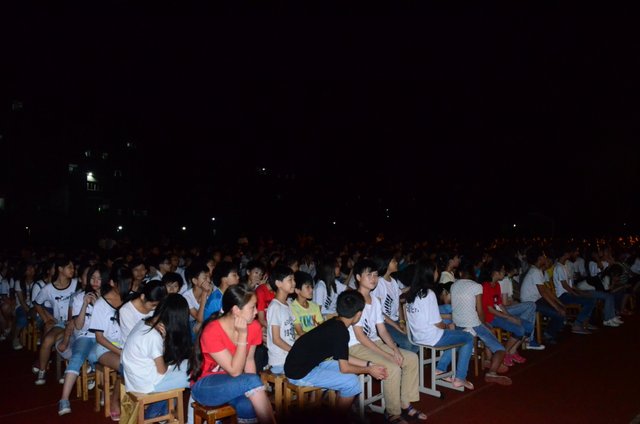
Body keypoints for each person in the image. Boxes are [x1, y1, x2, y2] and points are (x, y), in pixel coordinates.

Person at [284, 290, 388, 416]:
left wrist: (369, 364)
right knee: (352, 383)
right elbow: (345, 368)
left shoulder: (335, 322)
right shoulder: (341, 331)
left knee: (350, 375)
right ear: (359, 314)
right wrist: (369, 370)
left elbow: (343, 356)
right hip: (299, 373)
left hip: (303, 365)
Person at [348, 259, 424, 424]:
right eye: (369, 275)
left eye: (375, 275)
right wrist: (387, 355)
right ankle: (392, 413)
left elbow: (382, 330)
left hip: (374, 342)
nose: (373, 278)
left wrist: (395, 349)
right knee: (392, 366)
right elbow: (360, 336)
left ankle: (404, 402)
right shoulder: (354, 299)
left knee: (411, 358)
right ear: (358, 277)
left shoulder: (374, 301)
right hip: (356, 346)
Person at [189, 285, 275, 424]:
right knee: (252, 380)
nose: (256, 312)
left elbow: (249, 361)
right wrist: (242, 336)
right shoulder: (212, 331)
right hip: (205, 386)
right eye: (252, 307)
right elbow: (235, 371)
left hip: (234, 382)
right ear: (236, 310)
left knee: (247, 405)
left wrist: (253, 389)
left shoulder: (254, 326)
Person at [405, 259, 475, 390]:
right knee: (468, 337)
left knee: (456, 337)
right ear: (430, 273)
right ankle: (460, 377)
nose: (438, 273)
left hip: (417, 337)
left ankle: (440, 369)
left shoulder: (411, 294)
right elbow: (438, 323)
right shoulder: (428, 294)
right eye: (436, 270)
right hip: (432, 337)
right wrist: (448, 326)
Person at [122, 294, 193, 419]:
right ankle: (157, 414)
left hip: (138, 377)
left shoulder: (145, 321)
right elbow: (162, 370)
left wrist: (164, 339)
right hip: (147, 383)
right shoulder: (153, 336)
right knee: (195, 376)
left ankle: (163, 412)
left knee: (189, 364)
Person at [451, 260, 512, 386]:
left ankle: (489, 361)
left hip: (458, 324)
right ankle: (492, 373)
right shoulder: (476, 286)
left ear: (461, 273)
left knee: (488, 334)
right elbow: (480, 310)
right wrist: (484, 324)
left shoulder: (454, 285)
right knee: (500, 349)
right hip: (473, 324)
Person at [57, 264, 106, 415]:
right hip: (84, 336)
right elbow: (78, 326)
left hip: (102, 337)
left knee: (95, 356)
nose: (95, 281)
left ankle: (103, 392)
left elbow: (107, 325)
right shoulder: (80, 297)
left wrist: (98, 305)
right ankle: (64, 400)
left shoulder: (109, 297)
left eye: (99, 278)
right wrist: (85, 304)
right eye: (92, 278)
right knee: (77, 356)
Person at [90, 264, 131, 421]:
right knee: (125, 365)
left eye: (129, 283)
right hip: (105, 347)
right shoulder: (101, 304)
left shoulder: (129, 299)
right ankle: (115, 400)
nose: (127, 287)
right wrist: (121, 352)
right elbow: (99, 338)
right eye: (124, 284)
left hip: (126, 345)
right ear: (112, 282)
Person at [33, 257, 78, 385]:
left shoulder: (76, 283)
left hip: (76, 323)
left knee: (71, 339)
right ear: (60, 269)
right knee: (47, 340)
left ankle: (69, 370)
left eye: (73, 267)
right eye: (69, 267)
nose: (73, 270)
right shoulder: (48, 289)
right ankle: (42, 371)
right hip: (61, 323)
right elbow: (37, 303)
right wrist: (46, 319)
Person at [266, 265, 296, 374]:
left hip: (289, 357)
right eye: (290, 280)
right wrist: (295, 351)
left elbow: (291, 333)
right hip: (280, 361)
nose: (294, 283)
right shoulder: (275, 307)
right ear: (278, 283)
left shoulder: (288, 304)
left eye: (294, 279)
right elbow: (276, 339)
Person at [290, 271, 324, 336]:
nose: (311, 290)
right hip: (303, 340)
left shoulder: (314, 306)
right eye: (307, 287)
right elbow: (300, 332)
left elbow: (321, 326)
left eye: (311, 286)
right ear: (297, 290)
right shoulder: (292, 308)